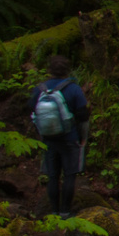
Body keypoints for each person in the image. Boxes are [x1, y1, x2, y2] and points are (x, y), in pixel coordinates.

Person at [30, 54, 90, 217]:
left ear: (49, 70)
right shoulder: (73, 89)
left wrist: (41, 135)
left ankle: (54, 211)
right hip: (69, 138)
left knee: (52, 176)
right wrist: (83, 137)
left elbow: (32, 112)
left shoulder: (39, 89)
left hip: (48, 139)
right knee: (69, 175)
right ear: (67, 71)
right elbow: (83, 116)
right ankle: (65, 211)